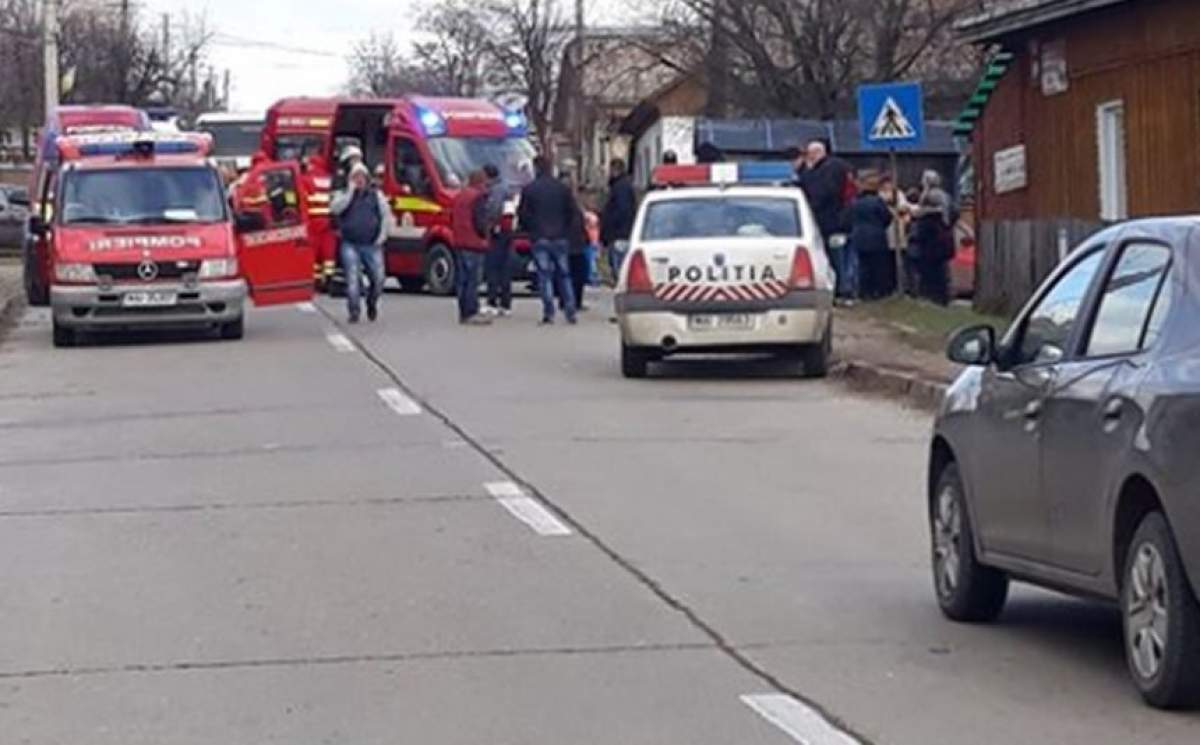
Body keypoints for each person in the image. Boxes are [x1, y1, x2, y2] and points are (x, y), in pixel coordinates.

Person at [518, 156, 579, 325]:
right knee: (564, 275)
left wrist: (530, 228)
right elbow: (571, 212)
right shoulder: (562, 188)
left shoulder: (530, 189)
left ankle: (549, 312)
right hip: (560, 236)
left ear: (536, 168)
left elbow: (523, 214)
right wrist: (565, 230)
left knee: (544, 276)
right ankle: (570, 310)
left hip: (540, 237)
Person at [330, 163, 392, 323]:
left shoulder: (376, 195)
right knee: (352, 279)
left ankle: (372, 302)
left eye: (361, 177)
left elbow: (386, 216)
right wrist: (350, 192)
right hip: (350, 243)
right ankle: (354, 310)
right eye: (355, 177)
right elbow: (335, 209)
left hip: (372, 244)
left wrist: (382, 236)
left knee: (379, 278)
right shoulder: (344, 194)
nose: (359, 180)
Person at [795, 140, 854, 300]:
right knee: (841, 257)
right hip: (840, 220)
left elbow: (822, 193)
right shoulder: (837, 166)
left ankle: (842, 290)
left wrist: (804, 171)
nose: (808, 157)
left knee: (835, 258)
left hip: (829, 221)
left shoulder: (826, 169)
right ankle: (843, 290)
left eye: (809, 154)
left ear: (816, 153)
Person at [451, 170, 493, 325]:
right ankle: (471, 312)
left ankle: (463, 312)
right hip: (474, 242)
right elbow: (480, 220)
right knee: (473, 280)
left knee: (463, 279)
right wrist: (485, 235)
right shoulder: (478, 196)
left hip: (459, 241)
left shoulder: (461, 195)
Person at [846, 171, 893, 300]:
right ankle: (878, 292)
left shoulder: (855, 202)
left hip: (859, 237)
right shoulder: (878, 202)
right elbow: (887, 217)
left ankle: (863, 293)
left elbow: (848, 218)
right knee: (878, 266)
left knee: (863, 266)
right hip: (877, 237)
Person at [911, 170, 954, 305]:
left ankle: (933, 297)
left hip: (931, 245)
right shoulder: (946, 196)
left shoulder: (929, 198)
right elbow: (955, 212)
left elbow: (922, 225)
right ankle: (942, 298)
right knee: (942, 271)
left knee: (930, 272)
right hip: (944, 241)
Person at [481, 164, 513, 317]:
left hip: (496, 232)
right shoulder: (506, 188)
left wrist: (486, 220)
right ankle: (506, 303)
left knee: (493, 266)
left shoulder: (496, 190)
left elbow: (493, 209)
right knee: (505, 267)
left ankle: (492, 301)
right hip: (507, 232)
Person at [600, 158, 636, 284]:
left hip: (619, 234)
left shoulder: (620, 187)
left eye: (611, 169)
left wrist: (611, 228)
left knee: (620, 268)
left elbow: (622, 210)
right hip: (620, 233)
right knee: (617, 266)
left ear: (616, 170)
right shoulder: (621, 186)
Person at [879, 174, 911, 296]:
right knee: (887, 262)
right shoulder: (879, 195)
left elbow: (904, 208)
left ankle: (900, 286)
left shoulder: (898, 194)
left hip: (898, 230)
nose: (888, 186)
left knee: (899, 260)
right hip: (886, 232)